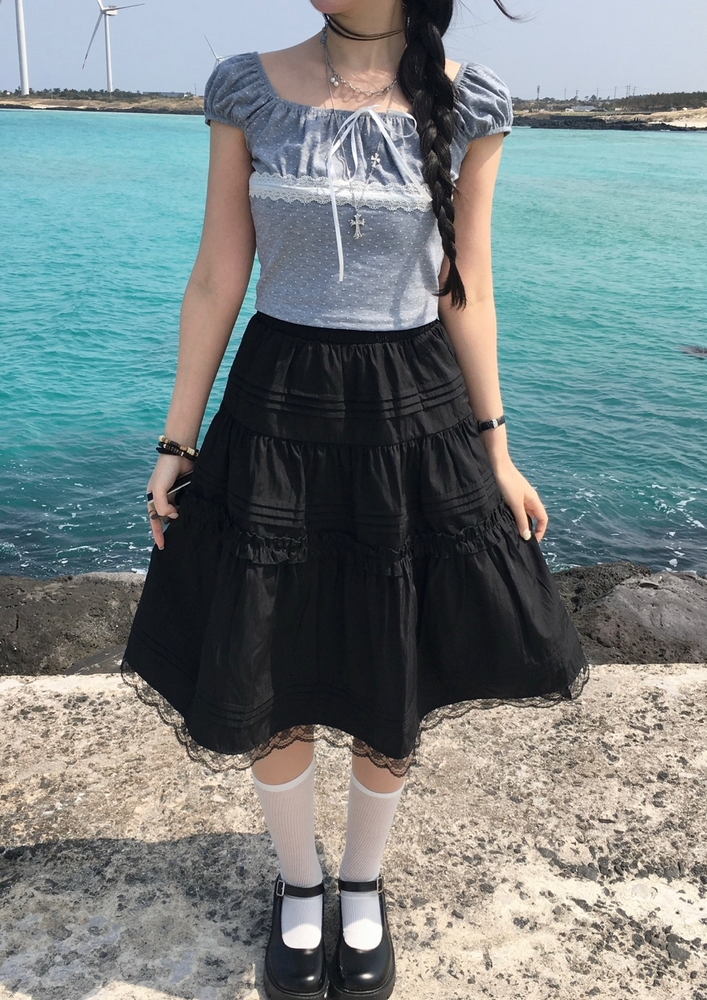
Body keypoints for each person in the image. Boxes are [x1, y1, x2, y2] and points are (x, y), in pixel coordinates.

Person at [121, 1, 590, 998]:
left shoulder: (473, 101)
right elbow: (217, 276)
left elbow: (468, 287)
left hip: (412, 413)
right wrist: (176, 440)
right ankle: (300, 883)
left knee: (392, 656)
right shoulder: (246, 87)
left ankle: (363, 880)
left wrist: (498, 450)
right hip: (277, 403)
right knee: (266, 650)